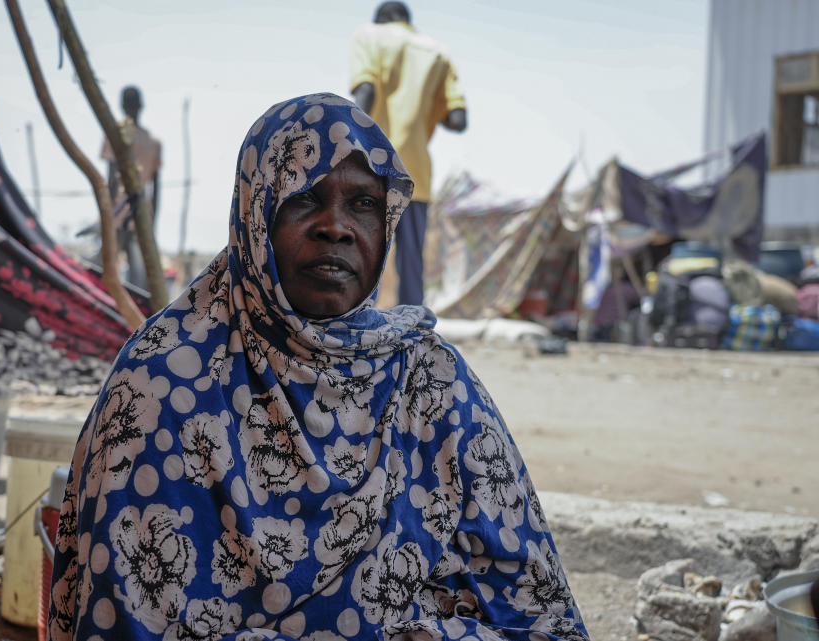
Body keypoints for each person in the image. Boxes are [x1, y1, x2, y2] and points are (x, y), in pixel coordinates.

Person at [48, 93, 587, 641]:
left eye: (364, 205)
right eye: (304, 198)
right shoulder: (159, 386)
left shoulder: (430, 381)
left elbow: (542, 616)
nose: (336, 227)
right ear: (255, 214)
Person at [350, 1, 467, 306]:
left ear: (381, 19)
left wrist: (345, 147)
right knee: (412, 263)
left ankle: (358, 328)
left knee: (365, 255)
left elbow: (366, 92)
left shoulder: (370, 36)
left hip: (371, 169)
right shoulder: (438, 52)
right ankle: (413, 334)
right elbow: (458, 120)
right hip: (415, 175)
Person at [100, 85, 162, 290]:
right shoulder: (152, 143)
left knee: (106, 267)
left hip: (118, 214)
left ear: (123, 107)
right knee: (138, 278)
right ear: (140, 106)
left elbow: (110, 182)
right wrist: (153, 220)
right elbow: (156, 188)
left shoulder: (115, 138)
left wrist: (106, 215)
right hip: (142, 214)